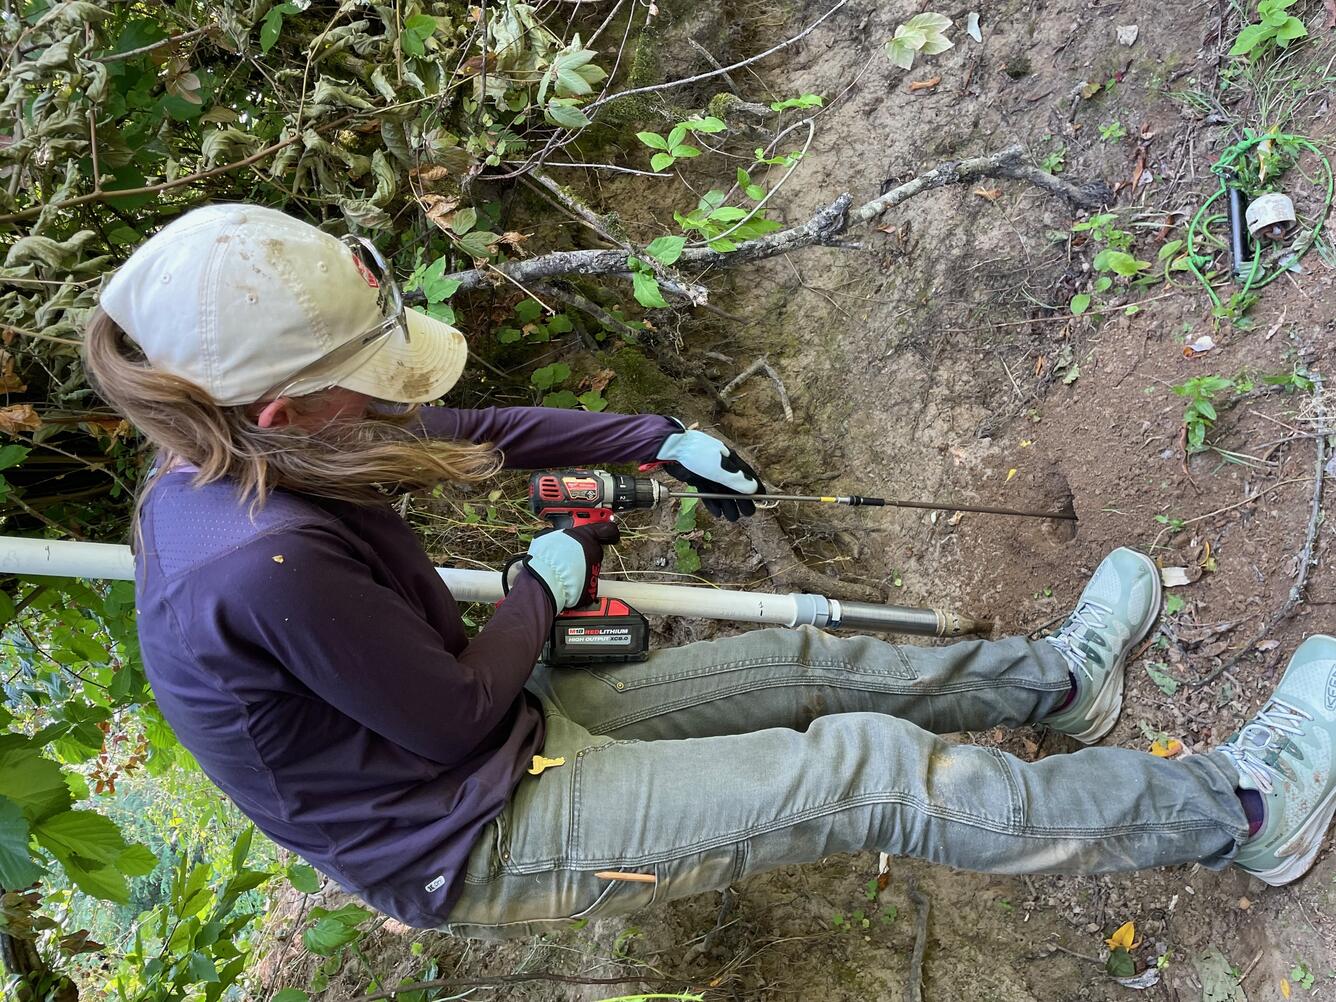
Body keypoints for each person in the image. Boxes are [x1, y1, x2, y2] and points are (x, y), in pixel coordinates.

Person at [83, 203, 1335, 939]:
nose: (398, 398)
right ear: (286, 414)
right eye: (372, 376)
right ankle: (1241, 813)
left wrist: (658, 443)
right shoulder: (255, 563)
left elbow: (473, 434)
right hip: (466, 830)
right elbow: (450, 710)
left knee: (798, 660)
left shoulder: (259, 445)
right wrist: (543, 583)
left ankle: (1057, 684)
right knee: (867, 774)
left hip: (493, 738)